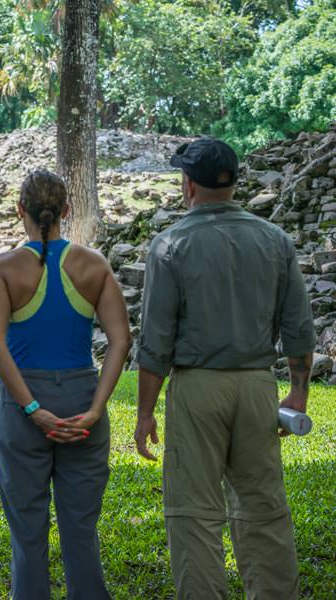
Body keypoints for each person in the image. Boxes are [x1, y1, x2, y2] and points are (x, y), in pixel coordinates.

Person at [134, 137, 316, 599]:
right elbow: (298, 328)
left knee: (194, 513)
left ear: (188, 185)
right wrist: (297, 392)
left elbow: (156, 342)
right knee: (264, 507)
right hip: (257, 385)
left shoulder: (170, 244)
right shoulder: (275, 240)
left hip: (197, 387)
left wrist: (145, 412)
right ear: (234, 182)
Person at [0, 169, 131, 599]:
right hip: (83, 401)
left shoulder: (4, 267)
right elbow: (121, 340)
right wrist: (98, 407)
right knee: (81, 527)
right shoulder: (94, 264)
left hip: (22, 405)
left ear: (20, 211)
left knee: (28, 530)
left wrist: (32, 409)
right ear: (67, 210)